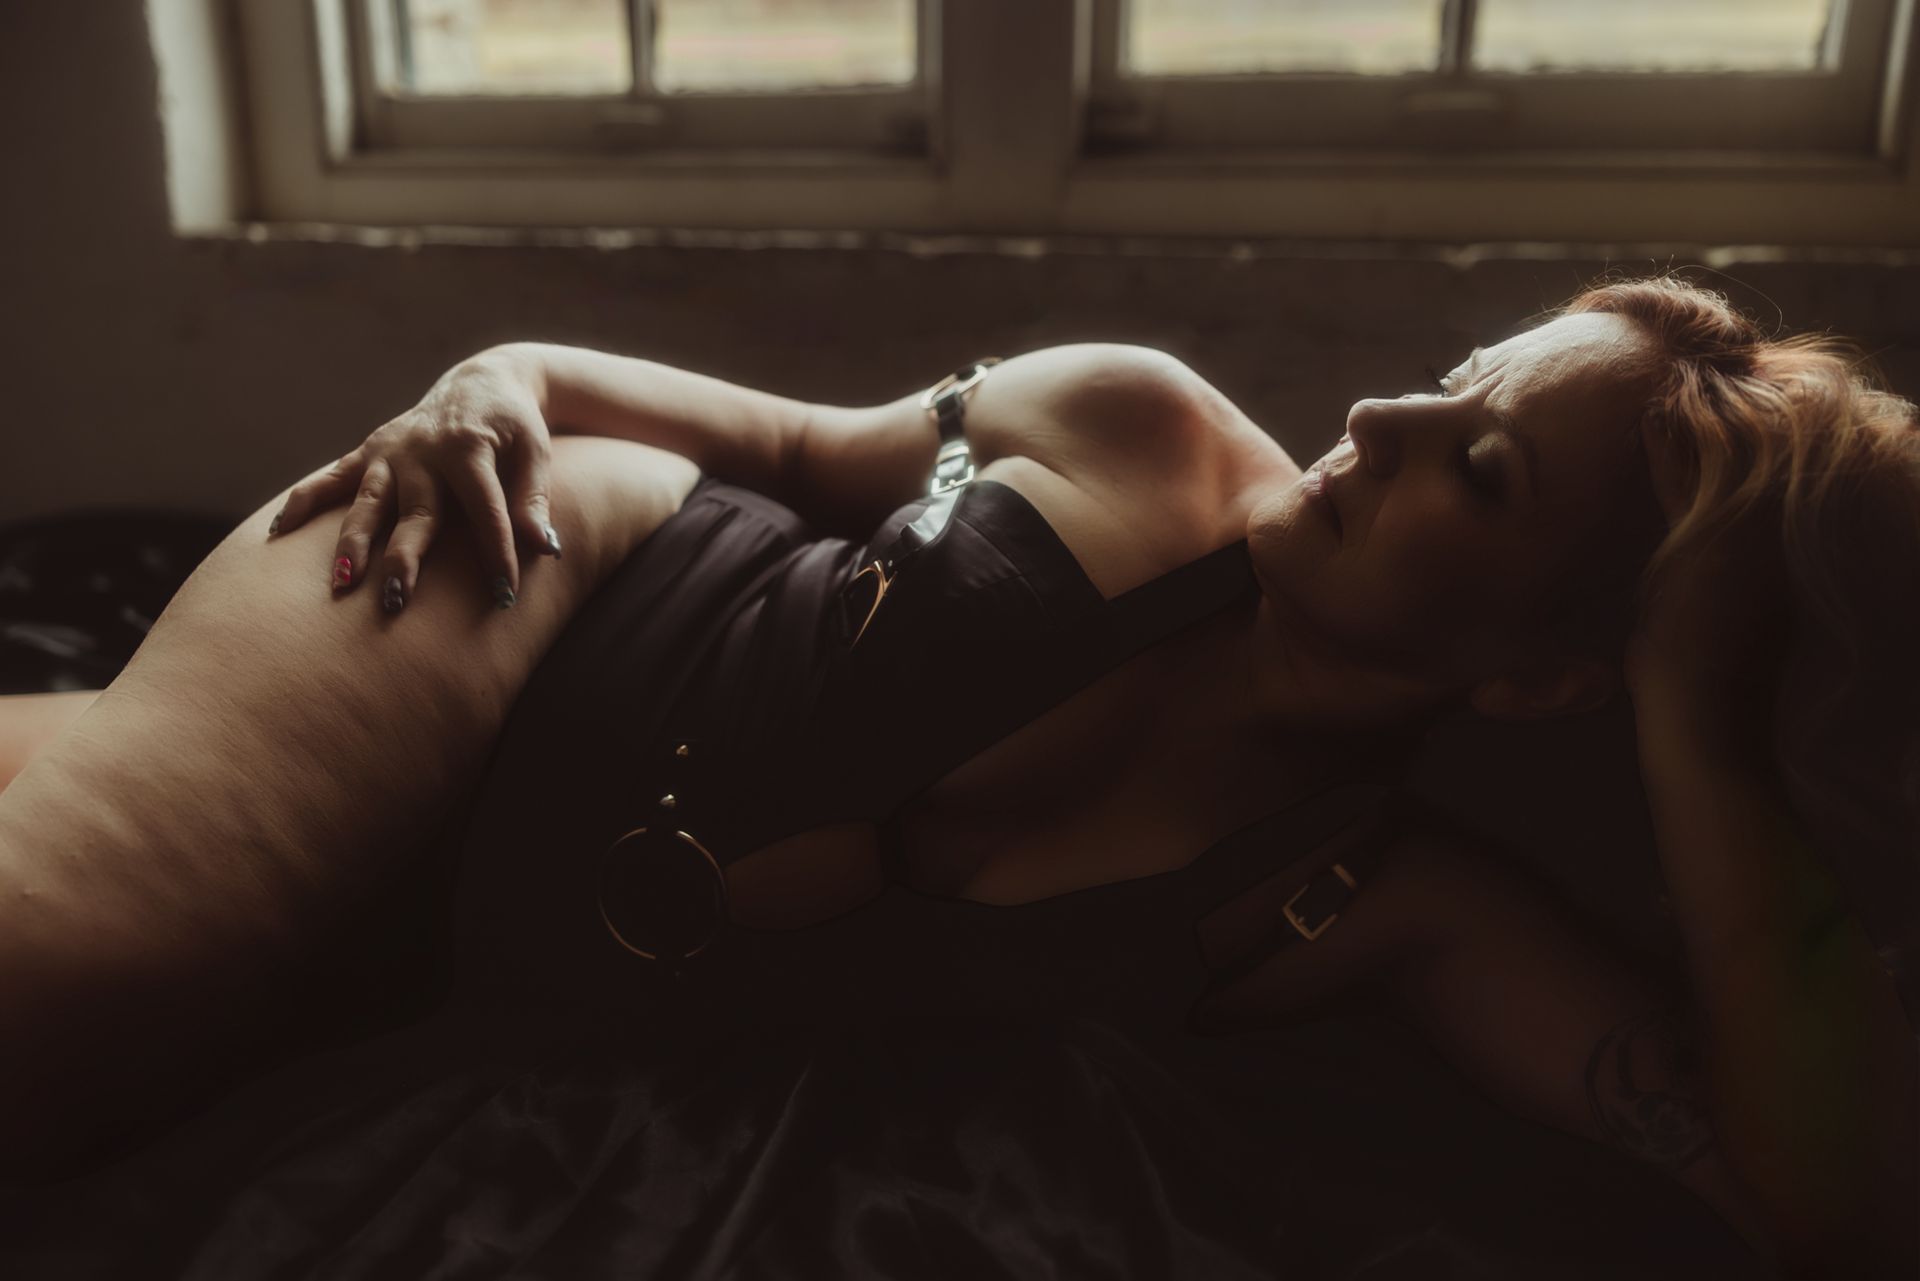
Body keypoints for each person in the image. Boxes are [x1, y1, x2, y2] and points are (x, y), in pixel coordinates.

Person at [0, 272, 1913, 1277]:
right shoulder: (1147, 427)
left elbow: (1820, 1213)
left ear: (1548, 675)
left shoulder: (1363, 895)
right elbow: (761, 436)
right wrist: (488, 379)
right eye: (1464, 372)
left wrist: (1698, 719)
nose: (1381, 412)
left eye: (1477, 467)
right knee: (73, 978)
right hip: (512, 586)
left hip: (478, 932)